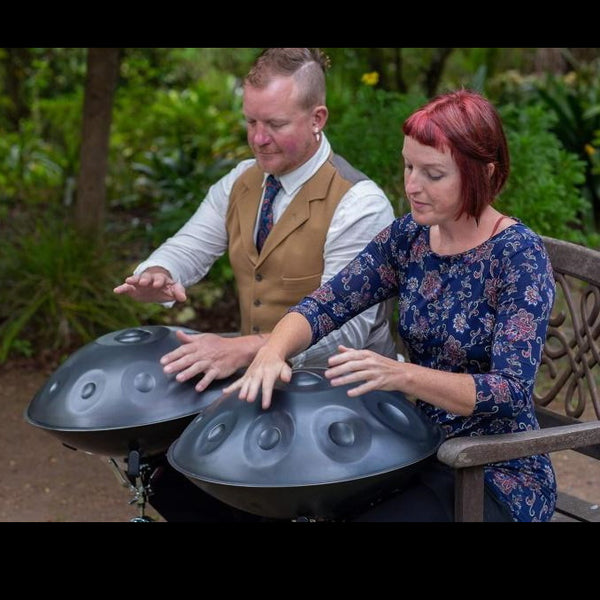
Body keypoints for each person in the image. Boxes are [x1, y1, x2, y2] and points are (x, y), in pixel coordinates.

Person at [224, 89, 558, 522]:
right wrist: (272, 351)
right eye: (408, 166)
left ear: (484, 173)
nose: (412, 185)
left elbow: (510, 393)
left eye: (433, 174)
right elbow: (328, 303)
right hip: (415, 448)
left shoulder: (517, 256)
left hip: (495, 471)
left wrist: (399, 374)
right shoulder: (411, 238)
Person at [113, 48, 397, 521]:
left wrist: (245, 350)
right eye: (250, 123)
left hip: (344, 404)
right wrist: (160, 272)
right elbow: (189, 245)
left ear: (317, 118)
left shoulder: (360, 204)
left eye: (275, 125)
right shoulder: (241, 182)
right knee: (163, 463)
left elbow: (345, 335)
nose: (258, 139)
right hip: (262, 392)